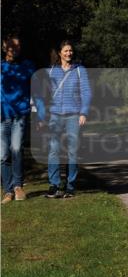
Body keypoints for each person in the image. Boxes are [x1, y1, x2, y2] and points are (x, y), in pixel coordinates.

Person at [38, 39, 92, 199]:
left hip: (73, 115)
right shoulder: (51, 71)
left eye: (71, 51)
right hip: (54, 115)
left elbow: (86, 92)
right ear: (60, 53)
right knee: (54, 150)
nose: (69, 53)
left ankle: (70, 186)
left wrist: (84, 112)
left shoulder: (79, 70)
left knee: (72, 151)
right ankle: (54, 184)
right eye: (66, 51)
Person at [1, 33, 36, 203]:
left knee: (16, 150)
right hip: (2, 116)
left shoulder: (28, 66)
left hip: (20, 115)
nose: (14, 49)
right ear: (4, 47)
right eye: (11, 46)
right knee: (3, 155)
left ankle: (18, 187)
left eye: (18, 46)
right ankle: (7, 191)